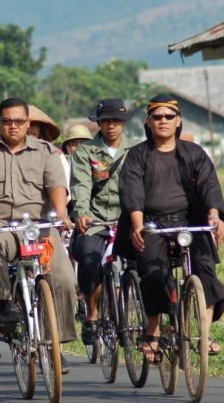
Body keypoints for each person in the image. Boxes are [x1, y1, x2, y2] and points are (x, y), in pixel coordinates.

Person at [117, 94, 224, 362]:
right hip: (151, 224)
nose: (163, 121)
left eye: (169, 116)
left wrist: (214, 217)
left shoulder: (194, 153)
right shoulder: (137, 155)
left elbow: (209, 186)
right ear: (148, 122)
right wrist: (138, 227)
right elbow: (132, 191)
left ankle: (202, 334)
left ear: (178, 121)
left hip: (189, 222)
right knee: (154, 274)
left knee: (205, 268)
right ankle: (154, 332)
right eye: (157, 117)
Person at [0, 98, 77, 373]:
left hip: (38, 227)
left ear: (28, 124)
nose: (13, 126)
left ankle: (55, 343)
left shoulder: (46, 151)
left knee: (64, 277)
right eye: (7, 121)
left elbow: (57, 186)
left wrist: (61, 214)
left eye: (19, 121)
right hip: (0, 226)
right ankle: (2, 308)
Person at [70, 98, 137, 345]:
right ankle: (92, 314)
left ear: (124, 123)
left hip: (129, 219)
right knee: (89, 262)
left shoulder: (136, 150)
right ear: (98, 123)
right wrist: (82, 213)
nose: (111, 126)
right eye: (106, 121)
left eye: (116, 121)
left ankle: (145, 320)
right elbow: (81, 185)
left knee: (148, 262)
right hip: (96, 221)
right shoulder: (85, 151)